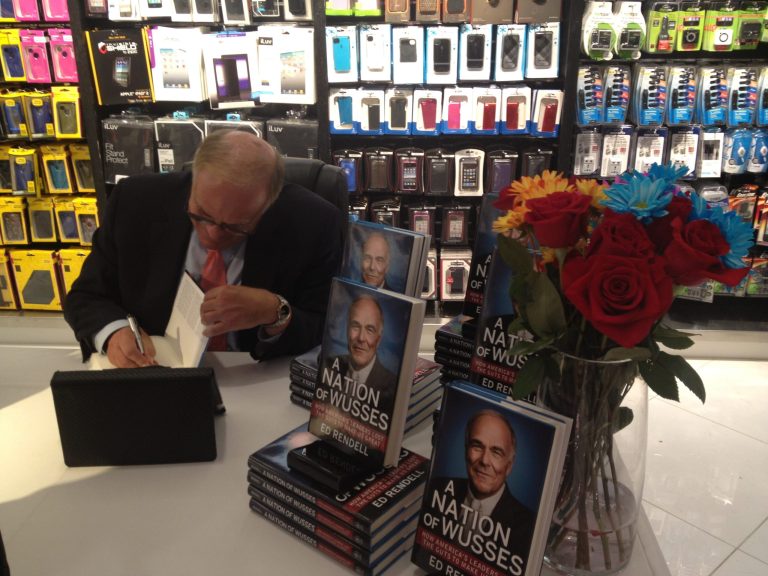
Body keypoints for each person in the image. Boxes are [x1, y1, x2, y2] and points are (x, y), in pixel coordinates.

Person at [64, 130, 344, 368]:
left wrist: (275, 312)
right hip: (157, 374)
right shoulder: (136, 203)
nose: (212, 235)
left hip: (259, 377)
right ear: (193, 181)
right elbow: (86, 296)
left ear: (268, 204)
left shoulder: (313, 223)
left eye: (234, 227)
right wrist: (114, 333)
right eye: (201, 215)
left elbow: (326, 327)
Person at [428, 410, 535, 566]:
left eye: (496, 452)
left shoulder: (527, 527)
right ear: (466, 450)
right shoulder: (437, 487)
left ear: (509, 465)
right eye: (477, 446)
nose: (485, 461)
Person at [321, 295, 397, 413]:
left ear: (379, 339)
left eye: (370, 330)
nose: (361, 338)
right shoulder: (328, 365)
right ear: (347, 330)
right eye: (355, 326)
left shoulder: (392, 388)